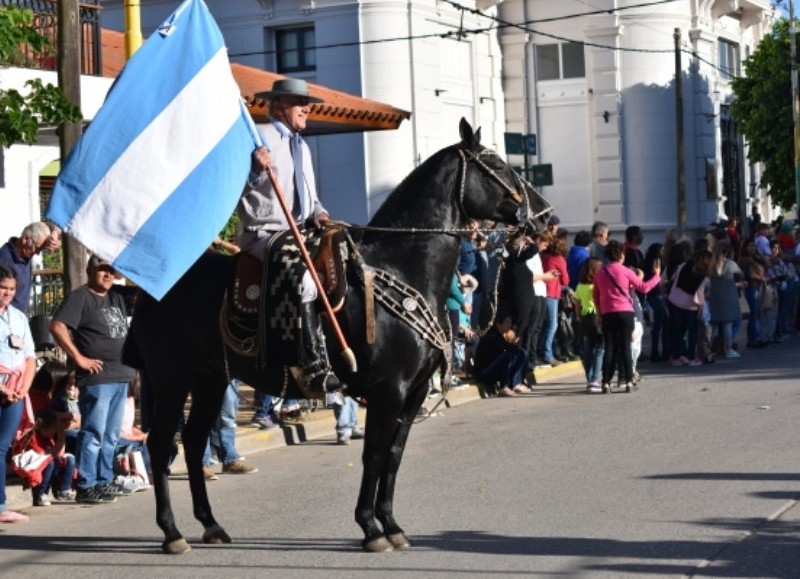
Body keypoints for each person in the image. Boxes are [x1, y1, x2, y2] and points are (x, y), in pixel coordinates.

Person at [237, 77, 343, 400]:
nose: (307, 109)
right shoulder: (259, 139)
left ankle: (340, 354)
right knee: (308, 281)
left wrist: (320, 212)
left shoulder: (303, 146)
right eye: (300, 103)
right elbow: (233, 186)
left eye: (307, 103)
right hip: (265, 234)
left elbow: (309, 196)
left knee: (343, 264)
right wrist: (254, 170)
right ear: (280, 106)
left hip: (302, 231)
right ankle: (311, 365)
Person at [49, 255, 136, 504]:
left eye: (111, 269)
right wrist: (79, 358)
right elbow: (56, 326)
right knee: (94, 432)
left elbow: (148, 289)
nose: (108, 274)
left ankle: (104, 479)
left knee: (110, 435)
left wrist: (123, 266)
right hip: (97, 378)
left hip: (122, 374)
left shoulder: (118, 294)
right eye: (102, 270)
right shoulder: (80, 297)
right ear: (89, 270)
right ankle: (86, 484)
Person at [593, 240, 661, 391]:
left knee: (609, 347)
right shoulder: (626, 271)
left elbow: (595, 296)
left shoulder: (600, 273)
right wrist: (656, 276)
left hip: (607, 312)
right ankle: (628, 381)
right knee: (625, 347)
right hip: (625, 311)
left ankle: (605, 381)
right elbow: (643, 288)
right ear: (621, 255)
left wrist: (599, 313)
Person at [0, 265, 36, 523]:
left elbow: (30, 357)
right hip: (2, 387)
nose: (8, 294)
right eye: (3, 288)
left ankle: (0, 506)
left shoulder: (19, 318)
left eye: (12, 289)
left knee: (3, 448)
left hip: (15, 391)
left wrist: (22, 389)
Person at [203, 378, 258, 480]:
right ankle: (202, 464)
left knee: (227, 416)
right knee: (203, 415)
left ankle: (230, 460)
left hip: (228, 370)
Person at [0, 222, 61, 313]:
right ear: (25, 239)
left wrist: (55, 233)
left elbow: (55, 221)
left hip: (19, 316)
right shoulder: (5, 258)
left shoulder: (24, 254)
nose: (37, 253)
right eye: (37, 248)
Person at [472, 308, 530, 397]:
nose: (509, 325)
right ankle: (504, 386)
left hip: (492, 370)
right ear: (498, 324)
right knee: (510, 354)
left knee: (522, 352)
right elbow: (507, 348)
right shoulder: (492, 336)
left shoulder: (500, 335)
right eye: (507, 322)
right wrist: (514, 343)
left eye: (510, 322)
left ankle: (516, 383)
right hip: (484, 373)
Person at [29, 409, 76, 506]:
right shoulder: (35, 438)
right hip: (40, 469)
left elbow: (57, 453)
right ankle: (42, 494)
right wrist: (61, 438)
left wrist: (60, 453)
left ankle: (64, 490)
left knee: (70, 458)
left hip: (53, 467)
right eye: (53, 429)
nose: (55, 432)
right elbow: (47, 455)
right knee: (50, 462)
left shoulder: (48, 438)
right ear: (44, 429)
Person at [707, 240, 745, 359]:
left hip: (714, 298)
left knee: (714, 327)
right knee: (727, 325)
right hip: (728, 298)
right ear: (727, 252)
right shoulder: (730, 264)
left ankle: (708, 349)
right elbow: (741, 274)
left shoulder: (710, 265)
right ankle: (728, 349)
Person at [574, 258, 604, 393]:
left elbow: (577, 304)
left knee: (587, 348)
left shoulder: (580, 286)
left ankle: (589, 376)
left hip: (585, 317)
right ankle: (595, 379)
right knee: (599, 349)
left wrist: (579, 317)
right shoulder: (596, 285)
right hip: (595, 316)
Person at [643, 243, 668, 361]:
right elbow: (659, 277)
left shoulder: (646, 260)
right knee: (662, 322)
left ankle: (656, 350)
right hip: (657, 292)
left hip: (651, 293)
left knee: (658, 324)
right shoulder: (657, 261)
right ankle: (660, 351)